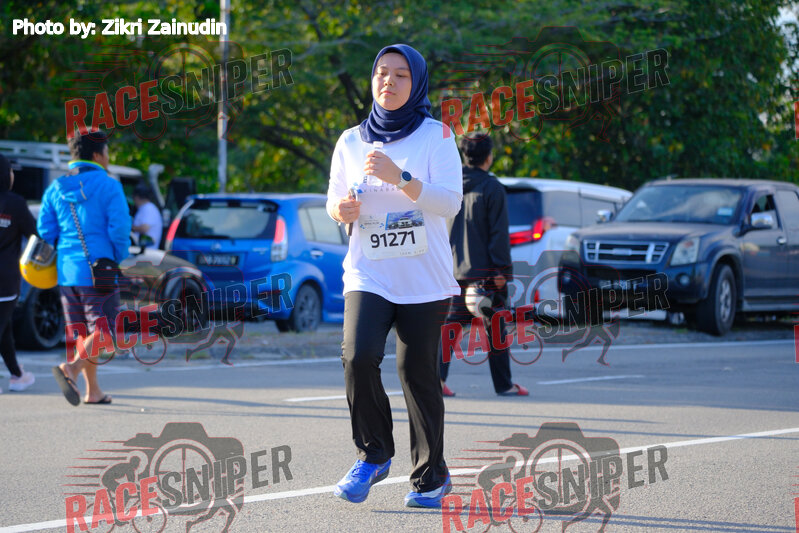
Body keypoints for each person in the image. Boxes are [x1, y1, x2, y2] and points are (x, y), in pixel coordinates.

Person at [327, 44, 462, 508]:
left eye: (401, 74)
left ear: (416, 83)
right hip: (369, 272)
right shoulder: (350, 141)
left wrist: (400, 176)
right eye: (382, 72)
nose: (389, 81)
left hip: (424, 277)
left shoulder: (437, 136)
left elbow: (450, 202)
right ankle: (374, 454)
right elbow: (333, 200)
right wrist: (340, 210)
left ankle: (430, 477)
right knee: (357, 355)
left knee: (416, 372)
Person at [38, 130, 131, 405]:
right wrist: (116, 257)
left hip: (67, 272)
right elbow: (119, 229)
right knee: (108, 333)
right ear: (98, 154)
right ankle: (71, 369)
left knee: (84, 334)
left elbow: (45, 231)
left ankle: (94, 391)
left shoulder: (56, 188)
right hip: (99, 270)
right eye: (107, 151)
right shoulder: (109, 185)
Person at [440, 134, 528, 397]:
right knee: (496, 329)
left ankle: (436, 381)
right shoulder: (492, 188)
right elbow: (498, 234)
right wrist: (502, 271)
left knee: (450, 328)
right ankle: (504, 385)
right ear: (488, 157)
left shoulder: (449, 187)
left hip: (453, 271)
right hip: (486, 275)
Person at [0, 154, 37, 393]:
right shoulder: (15, 203)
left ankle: (17, 375)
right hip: (5, 279)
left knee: (4, 329)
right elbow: (36, 235)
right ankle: (17, 375)